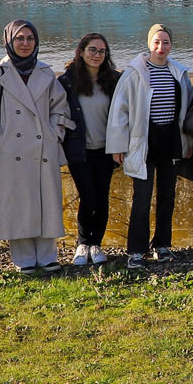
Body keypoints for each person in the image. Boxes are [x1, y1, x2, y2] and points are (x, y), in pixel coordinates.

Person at [0, 19, 73, 275]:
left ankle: (47, 255)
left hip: (43, 149)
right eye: (19, 38)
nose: (25, 43)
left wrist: (54, 133)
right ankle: (23, 257)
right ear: (8, 41)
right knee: (18, 203)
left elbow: (60, 108)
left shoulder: (46, 73)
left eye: (30, 38)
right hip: (12, 150)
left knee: (46, 200)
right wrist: (1, 138)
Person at [107, 23, 193, 268]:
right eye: (157, 42)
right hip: (144, 142)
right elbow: (119, 111)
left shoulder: (178, 73)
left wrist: (188, 142)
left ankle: (162, 246)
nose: (161, 47)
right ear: (149, 43)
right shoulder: (134, 73)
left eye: (166, 42)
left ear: (171, 45)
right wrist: (118, 146)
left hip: (170, 142)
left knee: (167, 196)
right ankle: (136, 251)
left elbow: (186, 112)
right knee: (142, 198)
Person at [59, 33, 119, 268]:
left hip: (106, 149)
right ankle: (83, 243)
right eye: (92, 50)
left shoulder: (113, 80)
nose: (97, 55)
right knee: (88, 196)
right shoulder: (68, 81)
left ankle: (96, 244)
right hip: (79, 150)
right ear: (82, 51)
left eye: (102, 51)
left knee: (102, 197)